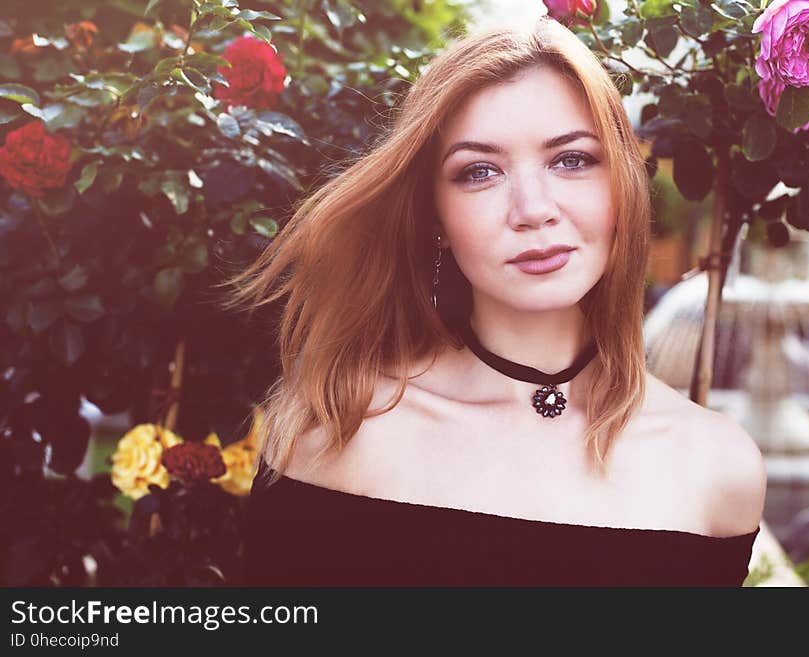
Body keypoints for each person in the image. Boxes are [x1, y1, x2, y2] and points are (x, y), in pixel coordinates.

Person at [221, 15, 767, 586]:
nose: (532, 208)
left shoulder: (718, 466)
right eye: (479, 172)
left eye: (572, 159)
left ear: (623, 186)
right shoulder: (336, 428)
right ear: (434, 214)